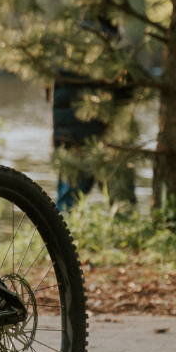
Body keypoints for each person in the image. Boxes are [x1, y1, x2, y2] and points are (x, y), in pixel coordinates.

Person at [51, 17, 137, 212]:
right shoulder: (113, 42)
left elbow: (58, 92)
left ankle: (55, 241)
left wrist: (59, 137)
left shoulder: (69, 39)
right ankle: (126, 238)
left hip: (70, 139)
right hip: (108, 139)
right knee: (122, 205)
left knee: (65, 209)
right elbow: (128, 90)